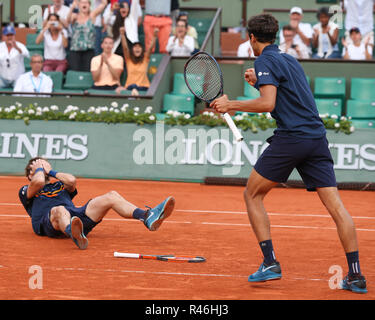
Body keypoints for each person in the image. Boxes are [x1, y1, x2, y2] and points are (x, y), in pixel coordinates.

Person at [210, 13, 367, 294]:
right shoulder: (290, 60)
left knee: (252, 194)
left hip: (292, 139)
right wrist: (257, 81)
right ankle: (355, 275)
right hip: (317, 139)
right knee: (337, 208)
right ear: (278, 36)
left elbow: (269, 103)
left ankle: (270, 262)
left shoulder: (264, 60)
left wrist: (231, 104)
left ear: (252, 39)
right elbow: (287, 94)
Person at [19, 157, 175, 250]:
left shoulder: (59, 185)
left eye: (43, 165)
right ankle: (72, 233)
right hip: (49, 223)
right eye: (36, 168)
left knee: (111, 196)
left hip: (75, 219)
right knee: (58, 209)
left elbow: (72, 181)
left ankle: (147, 217)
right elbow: (38, 182)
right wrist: (39, 169)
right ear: (29, 176)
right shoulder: (27, 190)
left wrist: (50, 172)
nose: (41, 169)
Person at [67, 0, 107, 72]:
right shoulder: (74, 16)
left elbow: (104, 3)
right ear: (79, 5)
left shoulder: (92, 16)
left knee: (87, 73)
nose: (84, 4)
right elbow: (67, 22)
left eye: (86, 2)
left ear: (89, 5)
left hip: (88, 50)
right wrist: (72, 7)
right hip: (75, 50)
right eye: (82, 2)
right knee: (75, 73)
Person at [116, 27, 158, 96]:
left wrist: (154, 36)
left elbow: (150, 48)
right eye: (135, 47)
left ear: (142, 50)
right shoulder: (128, 59)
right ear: (132, 50)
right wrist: (122, 35)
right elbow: (125, 48)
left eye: (139, 47)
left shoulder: (145, 59)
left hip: (143, 87)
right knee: (133, 87)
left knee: (135, 88)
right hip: (130, 87)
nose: (137, 48)